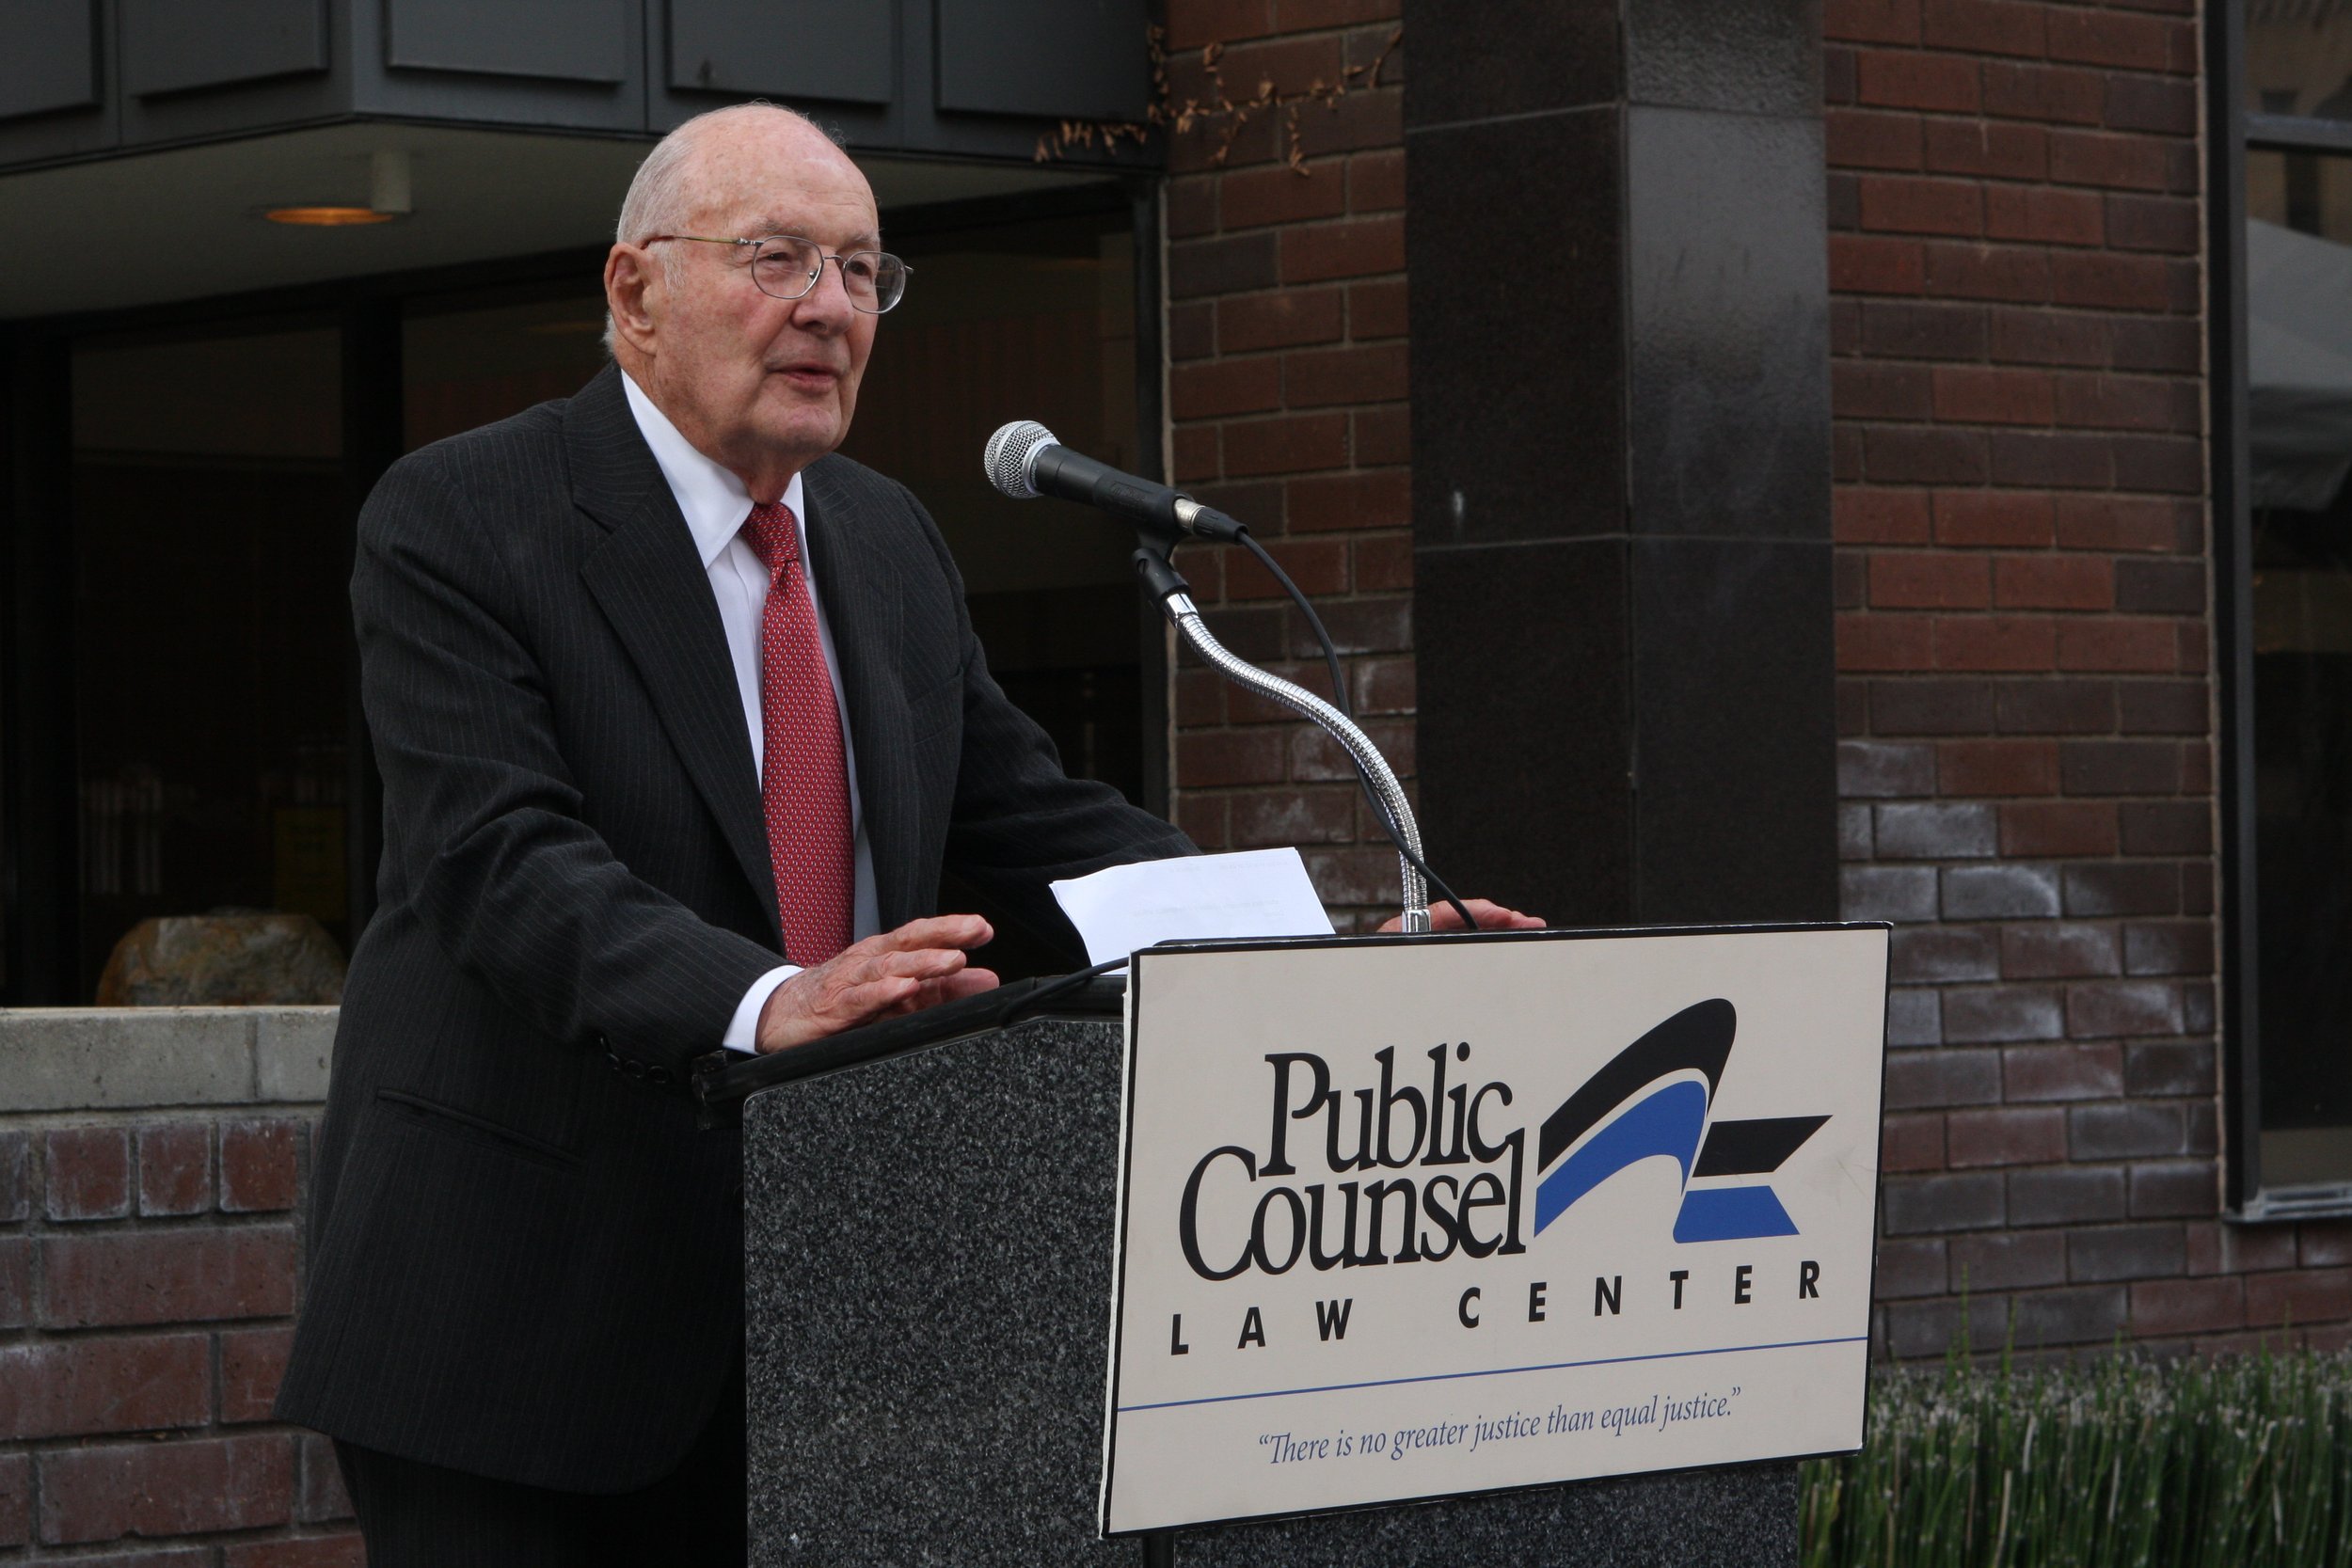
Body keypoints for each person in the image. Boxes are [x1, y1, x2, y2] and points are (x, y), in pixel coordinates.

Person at [276, 103, 1534, 1562]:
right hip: (528, 1320)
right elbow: (499, 860)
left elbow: (1040, 828)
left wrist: (1312, 957)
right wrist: (766, 1000)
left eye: (864, 271)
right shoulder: (464, 513)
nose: (829, 306)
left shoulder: (880, 536)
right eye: (777, 258)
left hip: (843, 1321)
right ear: (636, 293)